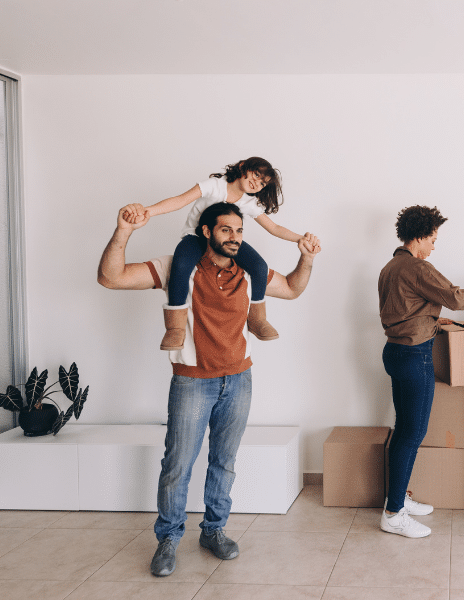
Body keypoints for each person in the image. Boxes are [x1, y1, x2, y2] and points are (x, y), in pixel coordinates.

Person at [97, 201, 320, 576]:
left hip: (239, 380)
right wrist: (124, 231)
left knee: (224, 463)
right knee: (178, 465)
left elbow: (294, 289)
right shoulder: (176, 268)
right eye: (225, 230)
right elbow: (111, 277)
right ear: (206, 232)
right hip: (191, 382)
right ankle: (168, 539)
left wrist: (307, 258)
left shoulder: (250, 272)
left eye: (239, 231)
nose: (234, 238)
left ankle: (214, 531)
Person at [377, 205, 464, 538]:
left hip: (395, 352)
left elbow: (404, 310)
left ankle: (397, 499)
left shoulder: (390, 267)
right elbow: (456, 298)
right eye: (433, 238)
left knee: (404, 430)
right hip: (415, 357)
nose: (434, 246)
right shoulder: (418, 267)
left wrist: (428, 319)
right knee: (413, 433)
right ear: (421, 236)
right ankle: (394, 514)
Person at [122, 157, 317, 350]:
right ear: (242, 167)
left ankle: (257, 319)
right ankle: (175, 328)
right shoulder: (215, 186)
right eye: (256, 175)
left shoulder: (249, 202)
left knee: (259, 267)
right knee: (180, 266)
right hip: (196, 237)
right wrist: (148, 211)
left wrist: (300, 238)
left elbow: (274, 227)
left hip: (225, 241)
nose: (256, 183)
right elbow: (180, 200)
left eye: (262, 183)